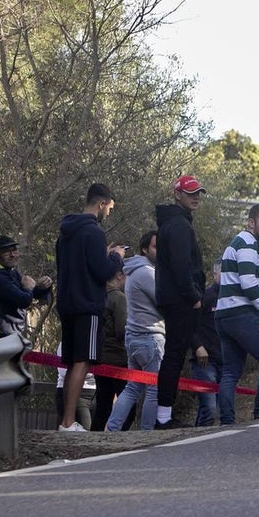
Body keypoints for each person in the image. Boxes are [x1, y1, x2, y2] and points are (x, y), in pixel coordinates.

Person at [55, 183, 125, 432]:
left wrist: (101, 254)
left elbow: (69, 265)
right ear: (102, 203)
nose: (109, 213)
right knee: (82, 362)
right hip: (87, 304)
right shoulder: (94, 232)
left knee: (73, 362)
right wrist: (115, 256)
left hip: (67, 303)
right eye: (110, 207)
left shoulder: (66, 232)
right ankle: (68, 422)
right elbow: (103, 271)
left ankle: (67, 419)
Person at [216, 202, 259, 424]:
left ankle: (226, 422)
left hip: (223, 315)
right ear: (251, 222)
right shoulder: (247, 243)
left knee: (230, 372)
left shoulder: (239, 242)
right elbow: (247, 282)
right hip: (241, 314)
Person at [153, 175, 207, 429]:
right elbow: (181, 266)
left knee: (174, 355)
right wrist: (194, 296)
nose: (195, 197)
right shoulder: (179, 226)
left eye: (198, 193)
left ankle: (163, 415)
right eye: (190, 193)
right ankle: (163, 418)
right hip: (180, 300)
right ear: (177, 194)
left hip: (172, 298)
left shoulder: (173, 223)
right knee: (174, 356)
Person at [107, 230, 161, 431]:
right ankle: (147, 432)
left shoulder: (133, 271)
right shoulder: (147, 272)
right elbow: (164, 301)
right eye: (156, 247)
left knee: (133, 386)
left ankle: (112, 429)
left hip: (134, 336)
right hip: (149, 336)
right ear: (145, 249)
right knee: (154, 388)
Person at [0, 235, 52, 340]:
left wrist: (43, 286)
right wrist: (28, 288)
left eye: (14, 250)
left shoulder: (11, 272)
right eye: (6, 252)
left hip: (12, 334)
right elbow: (23, 300)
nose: (12, 255)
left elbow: (30, 294)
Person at [91, 267, 128, 431]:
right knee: (127, 402)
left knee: (103, 404)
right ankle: (121, 436)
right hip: (118, 358)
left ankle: (95, 436)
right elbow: (121, 329)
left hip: (99, 357)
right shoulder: (118, 298)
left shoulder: (96, 296)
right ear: (119, 276)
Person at [191, 261, 223, 427]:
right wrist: (197, 346)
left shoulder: (235, 299)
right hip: (205, 361)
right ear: (215, 275)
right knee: (209, 409)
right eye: (222, 273)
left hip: (226, 361)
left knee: (220, 409)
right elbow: (188, 324)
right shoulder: (205, 297)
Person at [55, 342, 94, 430]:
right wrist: (82, 371)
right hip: (76, 392)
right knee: (86, 428)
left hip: (94, 392)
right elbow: (64, 372)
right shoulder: (66, 343)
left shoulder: (93, 345)